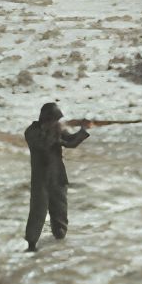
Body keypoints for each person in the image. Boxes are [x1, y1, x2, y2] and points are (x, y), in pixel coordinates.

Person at [24, 102, 90, 252]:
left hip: (57, 176)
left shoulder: (56, 129)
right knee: (38, 211)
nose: (56, 122)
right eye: (53, 119)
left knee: (60, 209)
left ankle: (60, 238)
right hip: (41, 179)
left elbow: (71, 143)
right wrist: (56, 135)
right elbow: (43, 145)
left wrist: (83, 130)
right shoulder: (32, 131)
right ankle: (31, 243)